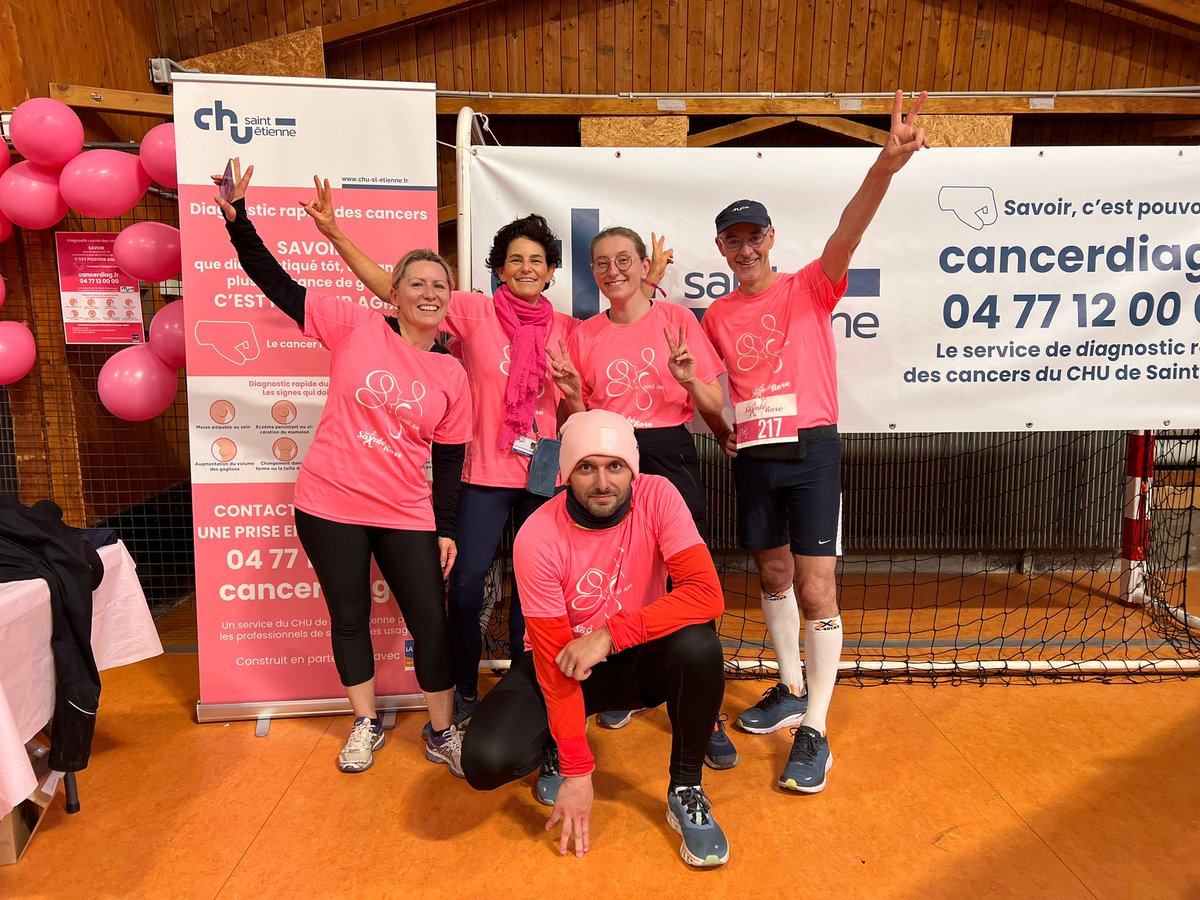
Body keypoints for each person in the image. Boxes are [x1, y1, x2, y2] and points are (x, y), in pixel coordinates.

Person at [699, 90, 930, 793]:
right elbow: (717, 402)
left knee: (816, 583)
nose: (744, 247)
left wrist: (884, 169)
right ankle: (790, 686)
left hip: (813, 448)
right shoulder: (713, 315)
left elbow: (848, 232)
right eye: (732, 239)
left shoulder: (809, 286)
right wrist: (722, 429)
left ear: (770, 239)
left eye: (753, 236)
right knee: (770, 577)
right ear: (722, 248)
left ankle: (816, 731)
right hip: (755, 455)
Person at [214, 161, 473, 775]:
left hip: (406, 511)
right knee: (349, 616)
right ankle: (364, 721)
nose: (430, 293)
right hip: (328, 504)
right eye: (417, 283)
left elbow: (450, 457)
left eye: (440, 285)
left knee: (430, 626)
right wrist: (239, 224)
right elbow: (275, 283)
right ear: (394, 292)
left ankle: (441, 732)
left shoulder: (452, 373)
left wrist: (446, 528)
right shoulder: (356, 327)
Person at [302, 184, 578, 727]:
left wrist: (569, 389)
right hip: (481, 471)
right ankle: (466, 690)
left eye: (537, 261)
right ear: (499, 269)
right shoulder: (472, 312)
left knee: (535, 588)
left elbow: (581, 409)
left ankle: (526, 689)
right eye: (515, 259)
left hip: (544, 471)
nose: (526, 268)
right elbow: (391, 287)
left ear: (550, 273)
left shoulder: (566, 328)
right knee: (468, 584)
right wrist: (335, 233)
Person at [460, 409, 730, 868]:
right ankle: (555, 745)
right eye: (587, 467)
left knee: (700, 646)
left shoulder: (660, 497)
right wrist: (577, 768)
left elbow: (706, 594)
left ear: (633, 470)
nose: (602, 482)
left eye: (615, 466)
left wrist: (610, 635)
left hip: (632, 655)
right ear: (566, 473)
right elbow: (551, 662)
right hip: (562, 663)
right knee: (484, 761)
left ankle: (686, 787)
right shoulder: (537, 535)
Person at [550, 227, 737, 768]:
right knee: (618, 572)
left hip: (668, 451)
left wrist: (687, 378)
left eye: (624, 260)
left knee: (687, 579)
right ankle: (625, 684)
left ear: (640, 265)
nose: (614, 271)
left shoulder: (677, 321)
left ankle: (704, 709)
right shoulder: (583, 335)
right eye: (602, 262)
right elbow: (578, 419)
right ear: (594, 271)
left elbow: (711, 399)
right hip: (610, 455)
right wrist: (572, 396)